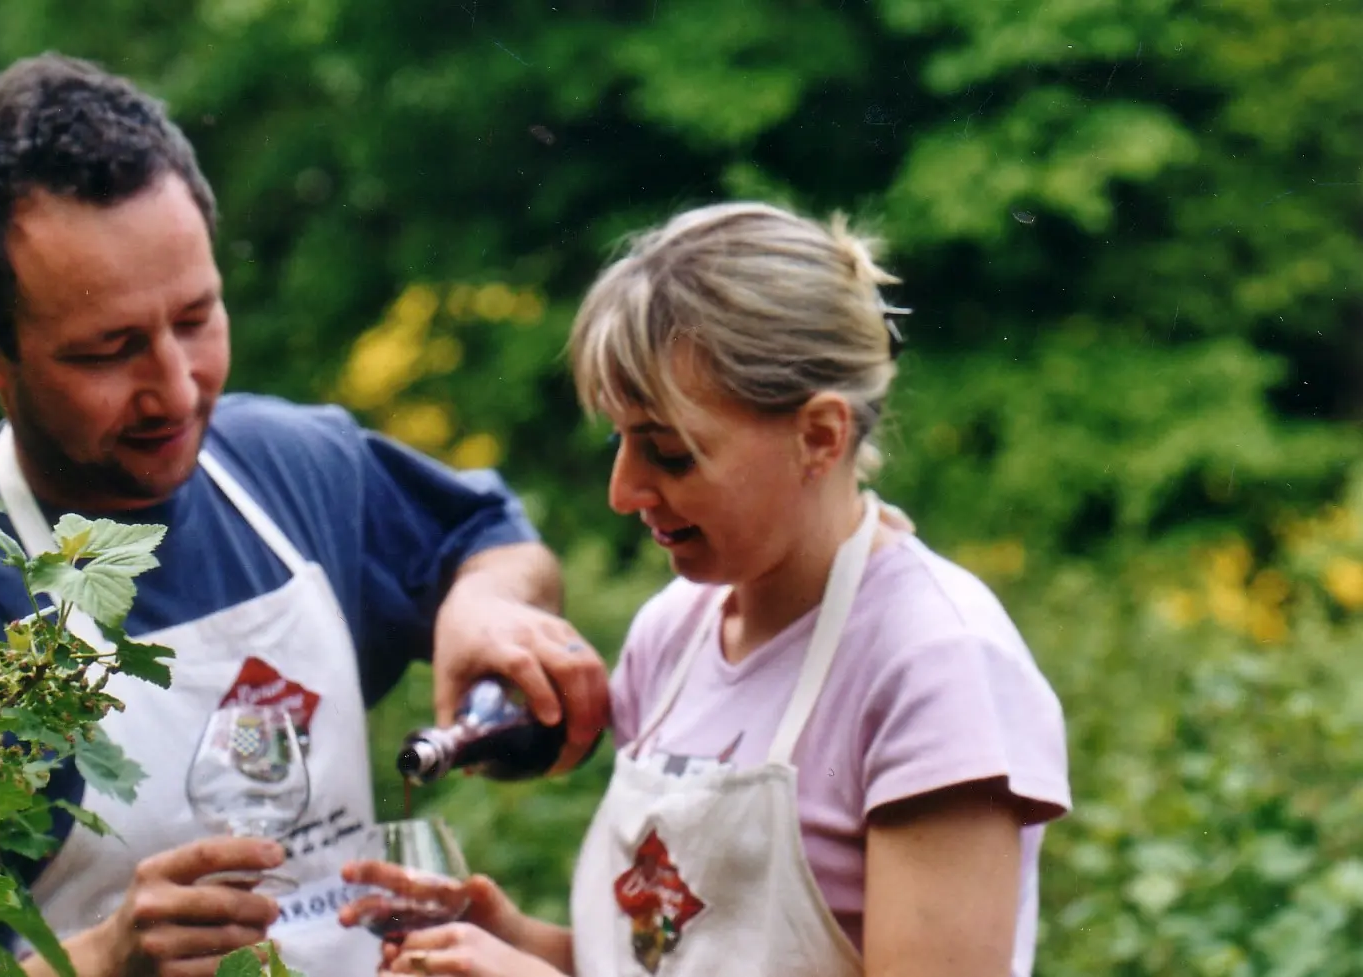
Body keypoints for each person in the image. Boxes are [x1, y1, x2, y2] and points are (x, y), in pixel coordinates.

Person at [0, 53, 609, 977]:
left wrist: (487, 607)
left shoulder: (293, 469)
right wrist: (101, 959)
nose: (176, 390)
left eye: (196, 318)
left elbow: (488, 540)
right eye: (110, 350)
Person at [341, 202, 1071, 977]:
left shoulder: (936, 665)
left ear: (819, 436)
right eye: (620, 440)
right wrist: (510, 940)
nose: (624, 490)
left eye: (670, 453)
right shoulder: (674, 631)